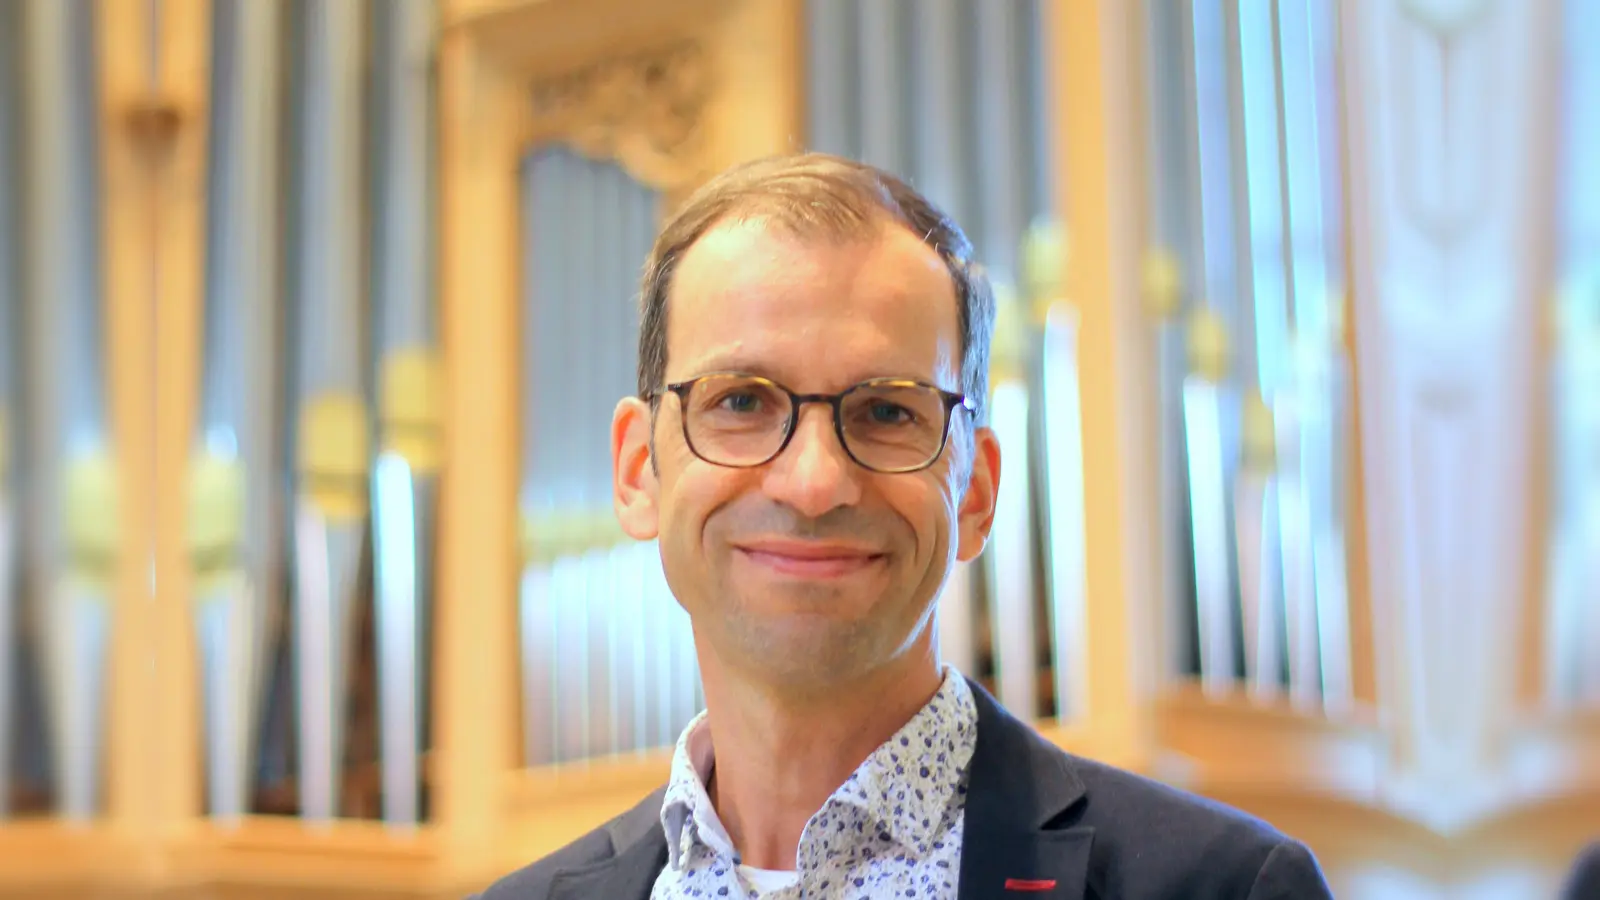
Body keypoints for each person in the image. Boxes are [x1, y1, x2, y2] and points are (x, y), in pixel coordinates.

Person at [474, 153, 1333, 899]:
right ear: (638, 471)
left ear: (975, 491)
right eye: (741, 401)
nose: (813, 482)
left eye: (887, 411)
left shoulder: (1224, 889)